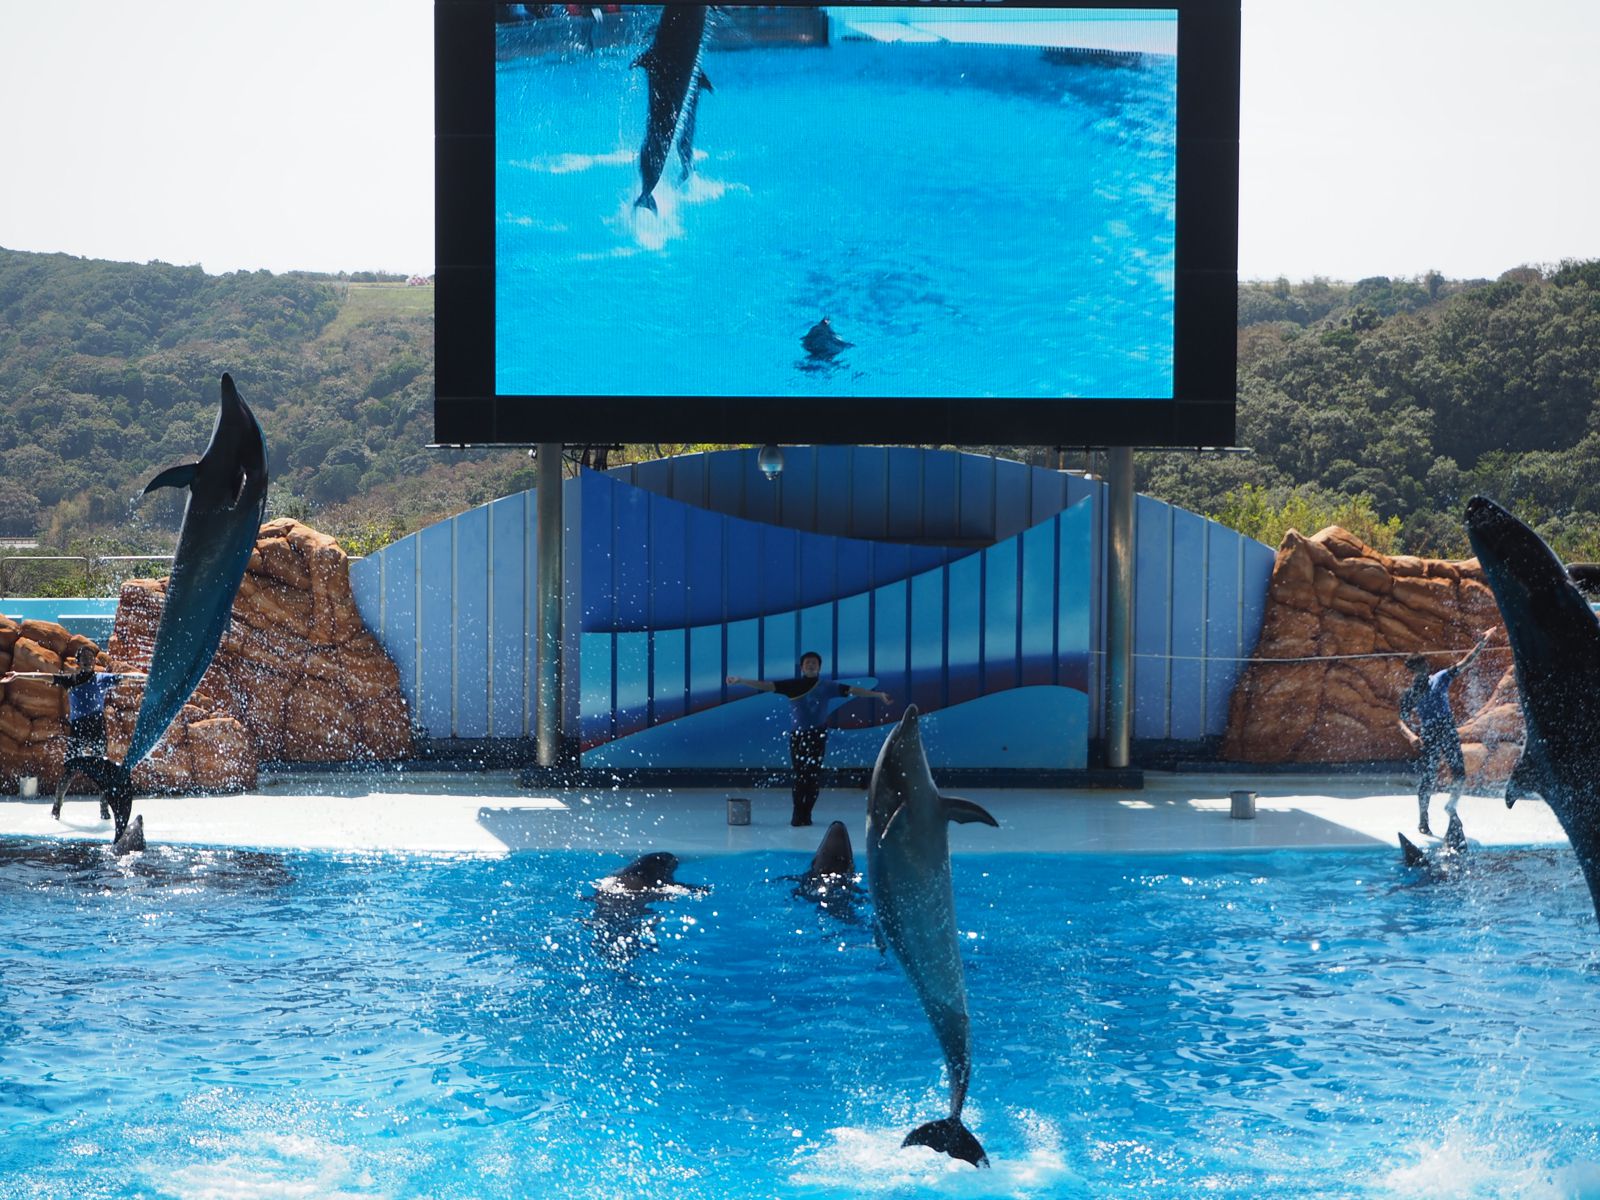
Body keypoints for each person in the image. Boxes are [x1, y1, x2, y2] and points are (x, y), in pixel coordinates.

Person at [727, 651, 890, 827]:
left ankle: (807, 813)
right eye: (807, 663)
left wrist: (878, 695)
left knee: (813, 777)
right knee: (800, 776)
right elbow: (766, 686)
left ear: (819, 667)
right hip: (798, 737)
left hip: (817, 736)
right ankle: (798, 813)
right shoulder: (794, 685)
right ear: (802, 667)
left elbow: (853, 690)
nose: (811, 665)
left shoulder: (827, 686)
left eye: (814, 663)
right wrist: (741, 680)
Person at [2, 646, 145, 821]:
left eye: (90, 657)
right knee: (70, 770)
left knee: (103, 770)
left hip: (97, 729)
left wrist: (147, 678)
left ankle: (104, 809)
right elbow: (45, 677)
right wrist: (19, 675)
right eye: (84, 657)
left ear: (94, 662)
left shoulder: (102, 679)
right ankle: (57, 806)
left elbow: (127, 678)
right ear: (78, 662)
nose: (87, 660)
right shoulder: (71, 680)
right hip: (78, 730)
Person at [1397, 629, 1493, 837]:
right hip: (1429, 732)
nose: (1421, 672)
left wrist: (1481, 644)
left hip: (1447, 728)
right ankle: (1423, 819)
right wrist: (1411, 736)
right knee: (1428, 778)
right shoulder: (1411, 694)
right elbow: (1400, 720)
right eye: (1417, 670)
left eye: (1423, 668)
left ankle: (1451, 805)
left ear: (1426, 667)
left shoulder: (1440, 678)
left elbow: (1465, 663)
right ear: (1411, 673)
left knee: (1459, 773)